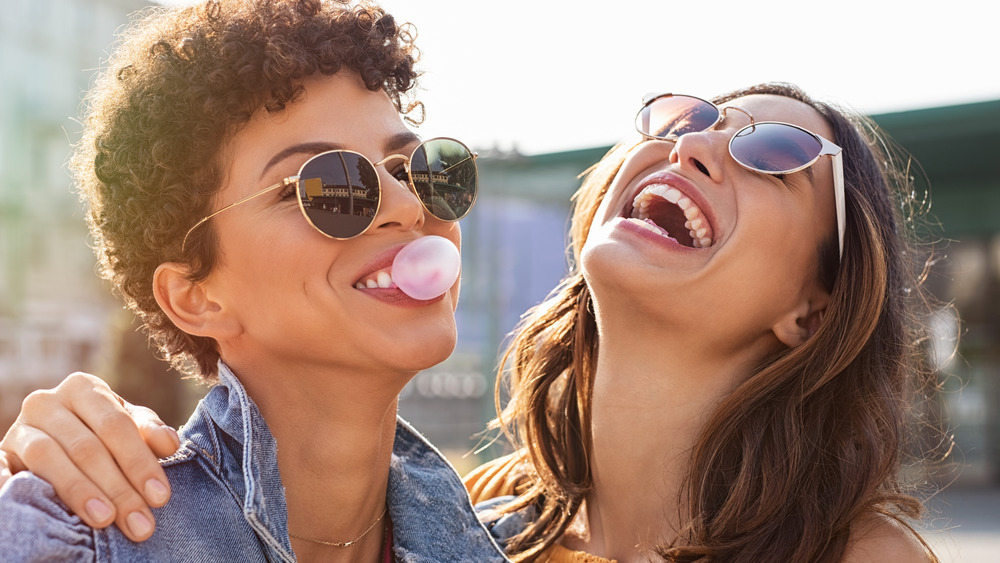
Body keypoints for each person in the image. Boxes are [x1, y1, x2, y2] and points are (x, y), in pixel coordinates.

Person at [0, 81, 942, 561]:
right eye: (686, 116)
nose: (693, 143)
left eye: (773, 150)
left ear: (813, 307)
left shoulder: (856, 556)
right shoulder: (476, 527)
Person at [0, 0, 507, 561]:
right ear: (197, 298)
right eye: (329, 186)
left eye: (415, 168)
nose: (408, 205)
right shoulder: (74, 540)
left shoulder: (499, 541)